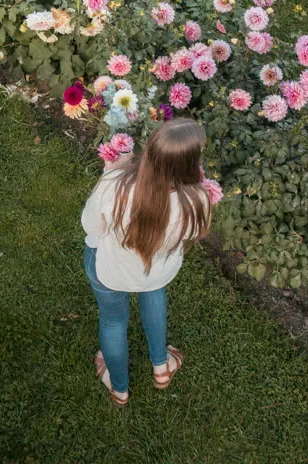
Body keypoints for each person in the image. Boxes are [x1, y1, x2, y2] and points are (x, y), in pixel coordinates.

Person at [80, 118, 212, 405]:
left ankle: (120, 388)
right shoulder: (198, 199)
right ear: (189, 164)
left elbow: (90, 226)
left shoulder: (114, 185)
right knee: (153, 294)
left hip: (111, 271)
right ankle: (161, 367)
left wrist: (112, 172)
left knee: (114, 321)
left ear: (150, 151)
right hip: (157, 271)